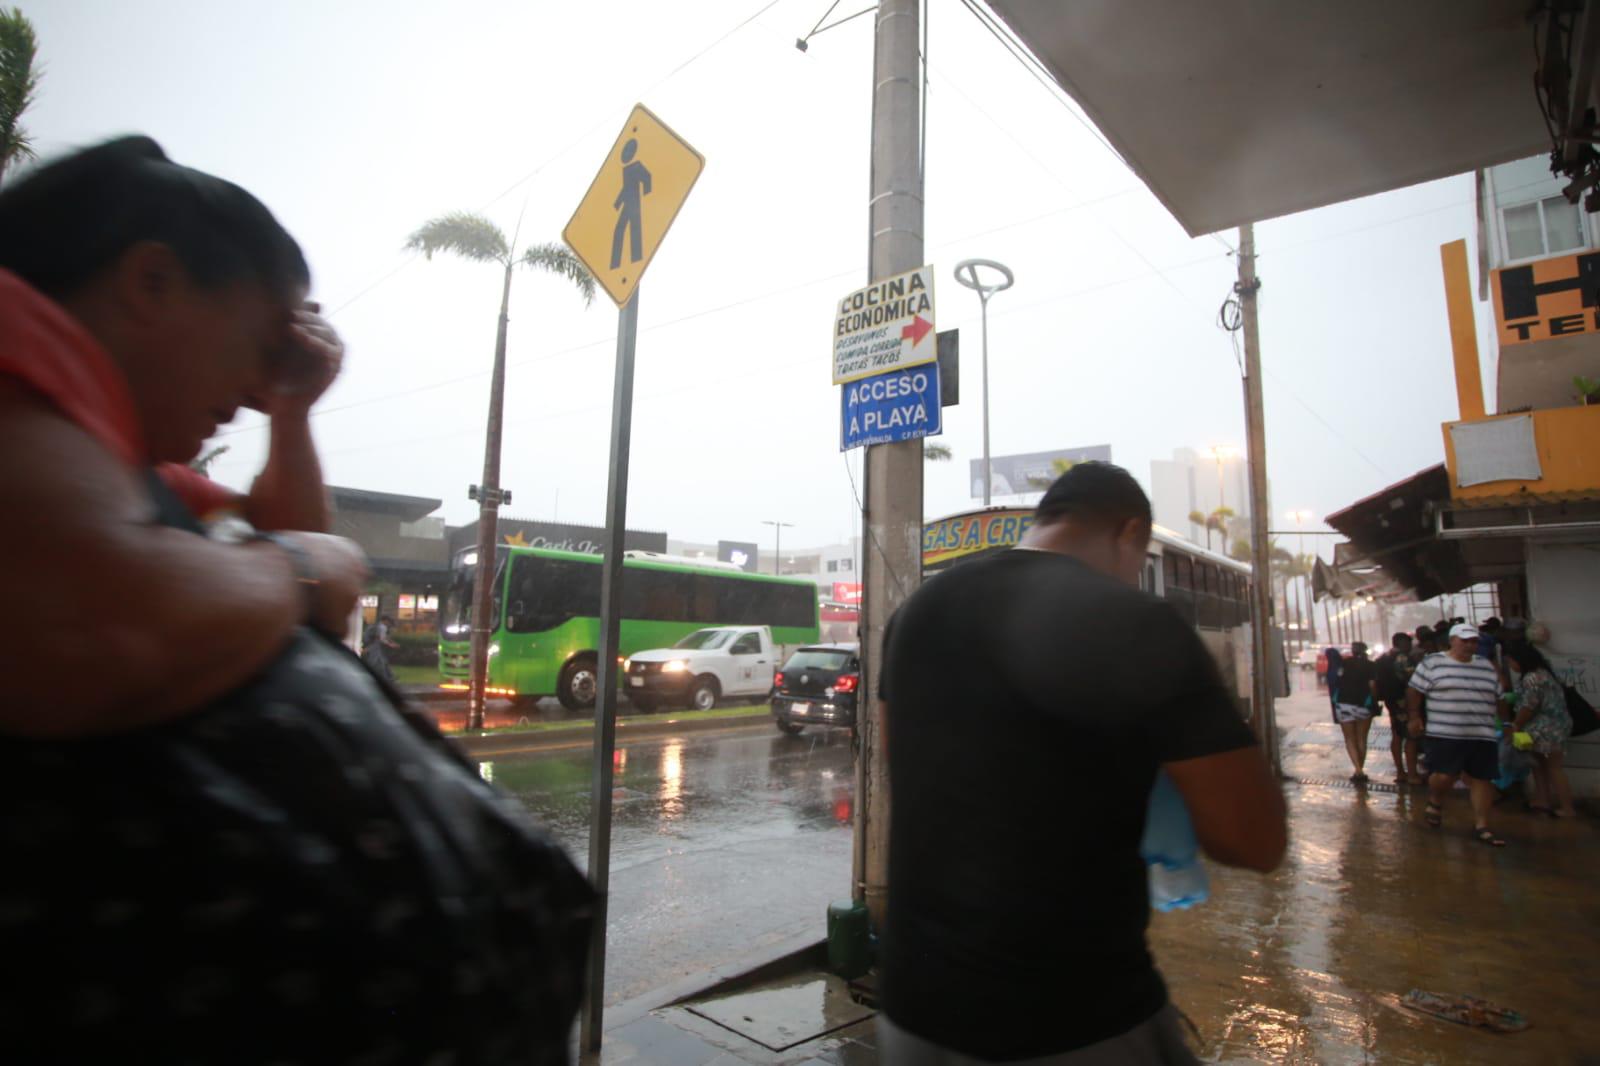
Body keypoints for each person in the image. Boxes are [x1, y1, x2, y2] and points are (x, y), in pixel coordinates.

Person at [0, 137, 592, 1062]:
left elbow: (265, 583)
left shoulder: (115, 466)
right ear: (152, 282)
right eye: (260, 342)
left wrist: (292, 416)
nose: (249, 391)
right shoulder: (18, 374)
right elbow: (97, 627)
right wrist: (300, 563)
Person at [877, 462, 1286, 1064]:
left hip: (912, 1012)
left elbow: (904, 771)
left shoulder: (915, 614)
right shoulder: (1136, 623)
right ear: (1130, 533)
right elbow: (1254, 841)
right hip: (1075, 1018)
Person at [1407, 622, 1507, 846]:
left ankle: (1482, 825)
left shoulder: (1486, 666)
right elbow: (1414, 691)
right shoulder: (1433, 663)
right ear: (1452, 641)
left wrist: (1506, 723)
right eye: (1465, 641)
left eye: (1474, 641)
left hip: (1482, 733)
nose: (1470, 645)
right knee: (1444, 775)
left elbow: (1499, 697)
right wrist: (1414, 716)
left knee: (1482, 779)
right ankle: (1435, 799)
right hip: (1445, 733)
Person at [1503, 640, 1577, 818]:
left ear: (1519, 660)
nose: (1511, 666)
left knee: (1553, 768)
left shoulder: (1532, 678)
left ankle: (1567, 809)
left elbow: (1529, 706)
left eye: (1511, 661)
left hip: (1546, 730)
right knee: (1539, 765)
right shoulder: (1544, 673)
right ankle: (1542, 800)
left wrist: (1516, 725)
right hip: (1553, 727)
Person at [1375, 633, 1423, 785]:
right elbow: (1413, 680)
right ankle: (1412, 774)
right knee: (1411, 737)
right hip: (1405, 701)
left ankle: (1401, 772)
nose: (1410, 646)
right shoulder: (1403, 658)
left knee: (1396, 735)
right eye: (1408, 643)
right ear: (1402, 643)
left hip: (1391, 700)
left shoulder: (1383, 658)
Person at [1333, 641, 1378, 784]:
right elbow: (1372, 685)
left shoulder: (1344, 664)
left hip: (1344, 704)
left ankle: (1358, 769)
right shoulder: (1371, 665)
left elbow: (1336, 680)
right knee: (1362, 738)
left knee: (1349, 739)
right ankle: (1360, 769)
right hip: (1364, 705)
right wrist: (1374, 701)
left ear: (1352, 651)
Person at [363, 612, 401, 681]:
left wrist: (392, 642)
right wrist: (391, 645)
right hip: (374, 646)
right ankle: (387, 677)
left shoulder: (378, 626)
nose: (389, 623)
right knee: (376, 662)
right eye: (389, 621)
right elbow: (381, 639)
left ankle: (389, 677)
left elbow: (384, 637)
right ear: (385, 620)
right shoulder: (382, 627)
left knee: (381, 661)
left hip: (373, 646)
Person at [1324, 646, 1345, 718]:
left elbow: (1339, 676)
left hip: (1338, 690)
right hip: (1335, 689)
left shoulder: (1337, 665)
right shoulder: (1338, 664)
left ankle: (1337, 717)